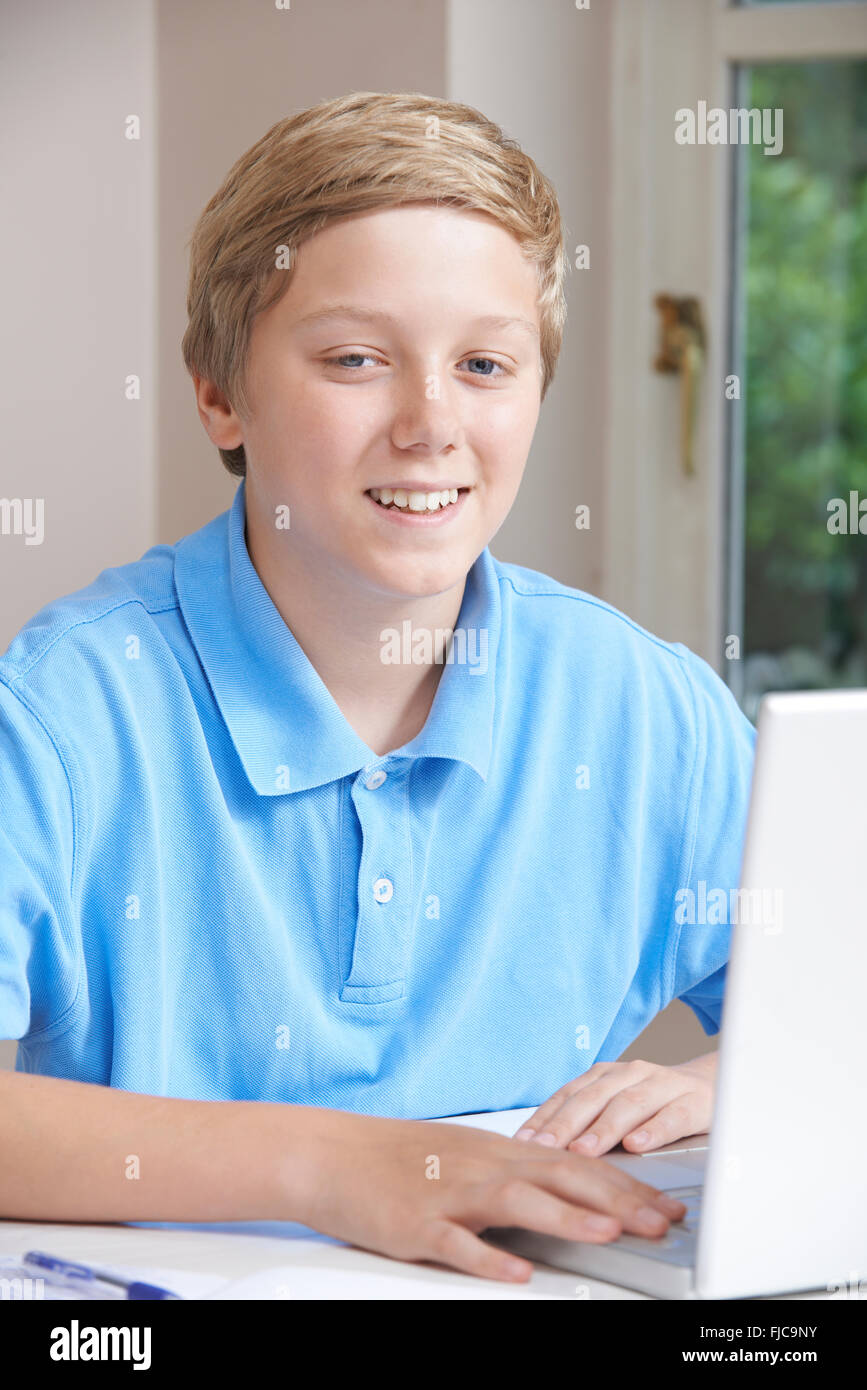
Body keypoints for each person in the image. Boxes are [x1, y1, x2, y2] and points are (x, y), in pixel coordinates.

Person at [0, 92, 754, 1283]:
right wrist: (338, 1165)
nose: (431, 423)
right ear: (218, 393)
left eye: (485, 364)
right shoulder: (60, 715)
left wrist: (715, 1084)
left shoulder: (647, 709)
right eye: (356, 359)